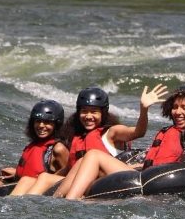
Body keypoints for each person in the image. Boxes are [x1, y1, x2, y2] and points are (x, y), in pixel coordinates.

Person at [62, 77, 185, 200]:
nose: (178, 112)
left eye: (184, 108)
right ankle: (56, 200)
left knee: (94, 154)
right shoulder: (169, 131)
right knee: (83, 161)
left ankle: (70, 203)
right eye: (175, 107)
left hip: (157, 185)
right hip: (143, 176)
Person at [15, 84, 168, 196]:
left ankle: (66, 202)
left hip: (110, 179)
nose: (88, 116)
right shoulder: (77, 138)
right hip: (83, 180)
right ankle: (23, 209)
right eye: (84, 112)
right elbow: (69, 169)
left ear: (103, 113)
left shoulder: (111, 132)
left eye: (94, 112)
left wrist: (144, 109)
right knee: (35, 178)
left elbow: (138, 132)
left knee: (91, 155)